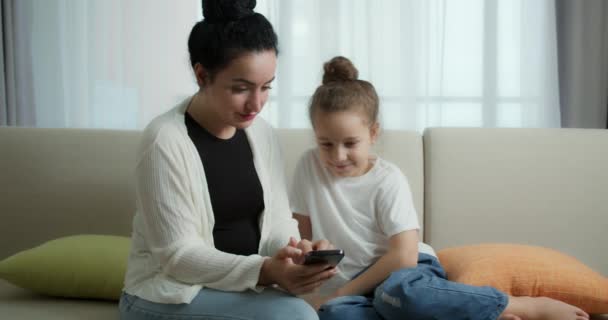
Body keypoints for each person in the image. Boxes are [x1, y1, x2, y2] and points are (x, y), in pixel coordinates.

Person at [290, 56, 590, 320]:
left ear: (373, 133)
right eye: (325, 144)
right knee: (336, 315)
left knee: (398, 296)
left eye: (350, 143)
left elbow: (403, 256)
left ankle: (520, 305)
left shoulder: (387, 179)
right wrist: (311, 256)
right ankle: (467, 314)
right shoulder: (308, 165)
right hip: (359, 291)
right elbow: (302, 235)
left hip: (403, 275)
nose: (337, 155)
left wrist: (342, 290)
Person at [119, 1, 336, 319]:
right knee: (295, 316)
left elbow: (276, 221)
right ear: (202, 74)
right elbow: (178, 257)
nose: (257, 103)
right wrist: (268, 271)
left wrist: (293, 252)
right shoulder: (164, 141)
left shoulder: (262, 134)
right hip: (168, 294)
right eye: (241, 88)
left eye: (266, 87)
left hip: (239, 290)